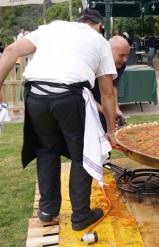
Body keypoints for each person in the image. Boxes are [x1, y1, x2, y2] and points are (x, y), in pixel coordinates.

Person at [0, 8, 118, 231]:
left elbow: (11, 50)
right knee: (81, 155)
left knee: (46, 150)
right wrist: (111, 129)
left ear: (79, 21)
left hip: (36, 95)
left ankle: (47, 211)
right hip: (68, 97)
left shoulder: (52, 28)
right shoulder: (99, 40)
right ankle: (81, 215)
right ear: (99, 25)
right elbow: (107, 92)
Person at [91, 35, 130, 131]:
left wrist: (115, 108)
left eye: (127, 55)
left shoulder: (120, 64)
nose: (125, 60)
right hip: (82, 101)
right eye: (121, 55)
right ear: (108, 52)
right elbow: (84, 94)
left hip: (104, 98)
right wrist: (105, 110)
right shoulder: (93, 63)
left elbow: (113, 86)